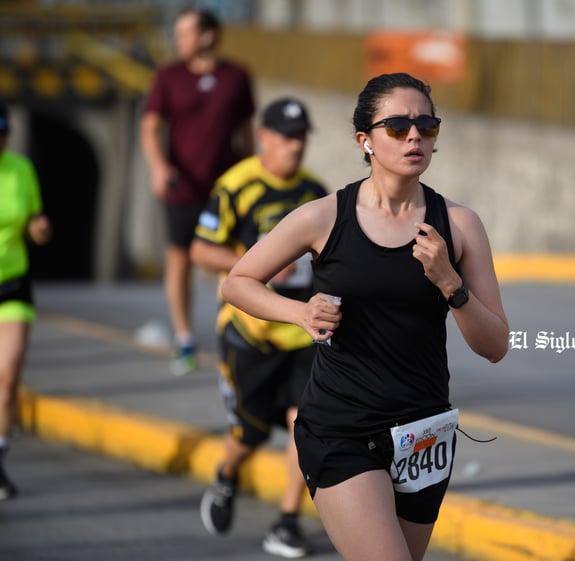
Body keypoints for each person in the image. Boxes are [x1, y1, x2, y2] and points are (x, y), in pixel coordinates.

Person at [221, 72, 509, 561]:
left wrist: (449, 283)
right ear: (366, 140)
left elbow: (495, 345)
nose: (414, 136)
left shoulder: (458, 225)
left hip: (423, 435)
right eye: (397, 126)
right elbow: (238, 281)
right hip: (341, 428)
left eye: (426, 126)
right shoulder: (324, 217)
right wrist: (299, 312)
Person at [191, 97, 328, 558]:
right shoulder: (237, 186)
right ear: (264, 137)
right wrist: (260, 265)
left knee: (305, 426)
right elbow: (201, 251)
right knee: (248, 436)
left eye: (302, 136)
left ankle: (287, 522)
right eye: (287, 137)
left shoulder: (315, 191)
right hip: (251, 333)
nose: (296, 146)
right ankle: (227, 474)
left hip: (304, 330)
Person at [141, 7, 255, 375]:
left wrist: (254, 177)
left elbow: (247, 133)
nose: (178, 41)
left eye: (184, 33)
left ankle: (240, 333)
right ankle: (184, 337)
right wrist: (159, 167)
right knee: (180, 260)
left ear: (207, 36)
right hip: (183, 187)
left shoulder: (237, 76)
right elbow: (149, 126)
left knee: (239, 258)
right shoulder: (168, 76)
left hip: (227, 190)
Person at [0, 101, 52, 500]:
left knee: (7, 377)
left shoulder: (21, 169)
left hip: (13, 285)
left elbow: (34, 218)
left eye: (3, 135)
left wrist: (39, 227)